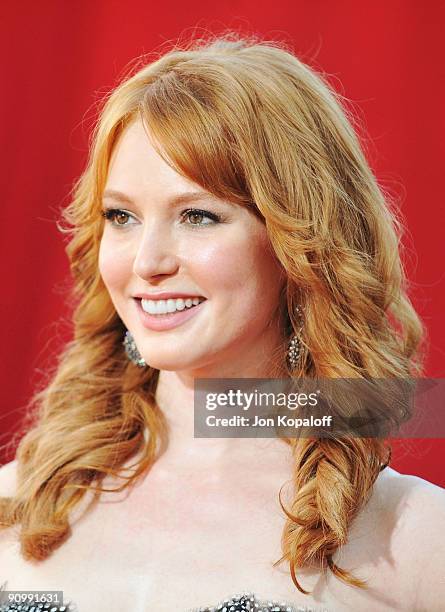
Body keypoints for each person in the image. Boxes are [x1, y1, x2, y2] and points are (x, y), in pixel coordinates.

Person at [0, 33, 444, 612]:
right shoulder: (17, 500)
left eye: (198, 215)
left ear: (298, 244)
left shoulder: (412, 540)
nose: (147, 262)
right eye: (122, 216)